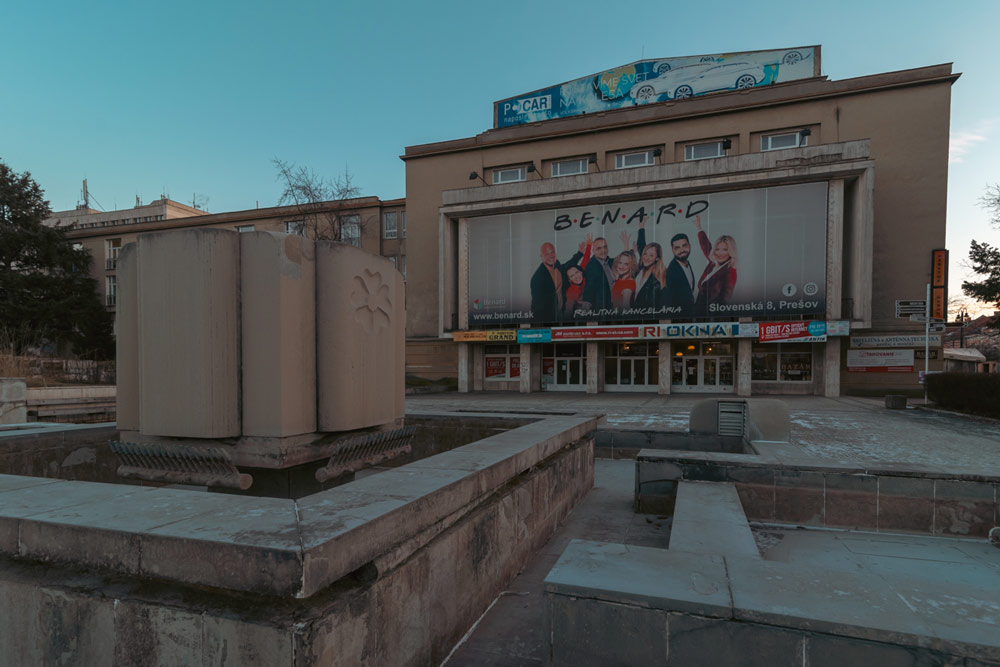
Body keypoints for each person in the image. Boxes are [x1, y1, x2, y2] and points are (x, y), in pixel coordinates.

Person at [692, 215, 738, 316]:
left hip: (710, 316)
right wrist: (699, 228)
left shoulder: (730, 272)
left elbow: (724, 300)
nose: (720, 253)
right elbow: (706, 246)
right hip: (698, 313)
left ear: (731, 251)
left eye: (725, 250)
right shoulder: (713, 263)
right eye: (717, 249)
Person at [529, 239, 585, 322]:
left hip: (562, 315)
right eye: (547, 254)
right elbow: (537, 306)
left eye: (552, 252)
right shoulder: (537, 278)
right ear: (541, 256)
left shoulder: (557, 266)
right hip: (548, 319)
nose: (551, 256)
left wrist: (580, 253)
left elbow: (567, 265)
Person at [631, 222, 666, 309]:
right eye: (645, 254)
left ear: (657, 258)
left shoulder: (657, 279)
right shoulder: (639, 269)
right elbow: (641, 246)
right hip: (631, 314)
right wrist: (641, 227)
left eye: (651, 255)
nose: (646, 258)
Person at [661, 232, 696, 315]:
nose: (682, 250)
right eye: (677, 248)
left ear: (689, 246)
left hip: (688, 314)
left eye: (684, 245)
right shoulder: (672, 271)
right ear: (673, 250)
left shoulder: (687, 263)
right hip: (678, 317)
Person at [562, 234, 592, 318]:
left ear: (581, 272)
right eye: (572, 276)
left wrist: (589, 245)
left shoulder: (583, 276)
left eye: (576, 272)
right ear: (570, 280)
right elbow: (568, 311)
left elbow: (586, 258)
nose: (576, 276)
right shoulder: (571, 292)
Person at [581, 236, 615, 311]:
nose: (603, 250)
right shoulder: (591, 266)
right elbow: (589, 289)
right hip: (603, 309)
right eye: (599, 248)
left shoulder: (610, 261)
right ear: (593, 251)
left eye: (605, 247)